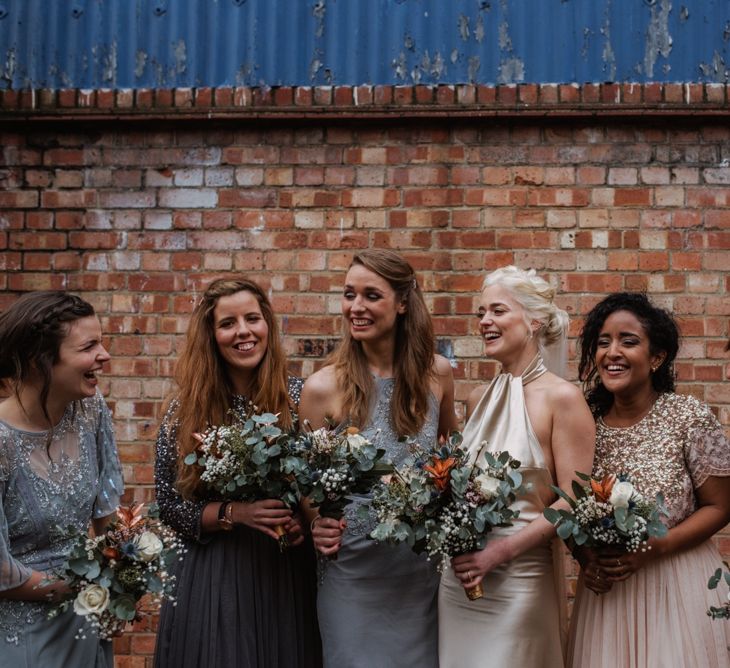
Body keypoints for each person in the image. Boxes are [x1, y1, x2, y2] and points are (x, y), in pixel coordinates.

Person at [300, 249, 457, 668]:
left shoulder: (437, 374)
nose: (356, 307)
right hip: (351, 571)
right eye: (349, 294)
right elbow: (306, 481)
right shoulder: (320, 389)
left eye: (371, 295)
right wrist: (317, 520)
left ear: (403, 303)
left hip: (419, 574)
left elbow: (451, 459)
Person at [154, 278, 321, 668]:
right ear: (211, 336)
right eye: (228, 323)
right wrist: (237, 513)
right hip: (214, 574)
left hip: (284, 572)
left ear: (268, 326)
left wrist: (302, 520)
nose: (243, 332)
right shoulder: (185, 411)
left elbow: (319, 492)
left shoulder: (299, 399)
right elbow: (170, 505)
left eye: (252, 319)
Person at [438, 266, 595, 668]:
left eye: (497, 311)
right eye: (480, 313)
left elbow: (574, 501)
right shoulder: (477, 398)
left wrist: (500, 552)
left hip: (520, 581)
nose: (485, 322)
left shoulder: (563, 399)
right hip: (459, 582)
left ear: (534, 320)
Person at [567, 292, 730, 667]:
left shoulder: (687, 416)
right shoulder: (583, 423)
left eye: (628, 341)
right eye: (603, 342)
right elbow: (566, 504)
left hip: (677, 583)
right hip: (609, 598)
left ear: (656, 358)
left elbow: (721, 506)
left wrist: (657, 546)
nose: (612, 352)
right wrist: (585, 557)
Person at [0, 291, 123, 667]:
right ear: (40, 362)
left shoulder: (90, 410)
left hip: (87, 621)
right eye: (89, 346)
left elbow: (107, 514)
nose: (104, 356)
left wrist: (118, 586)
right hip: (20, 631)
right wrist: (81, 589)